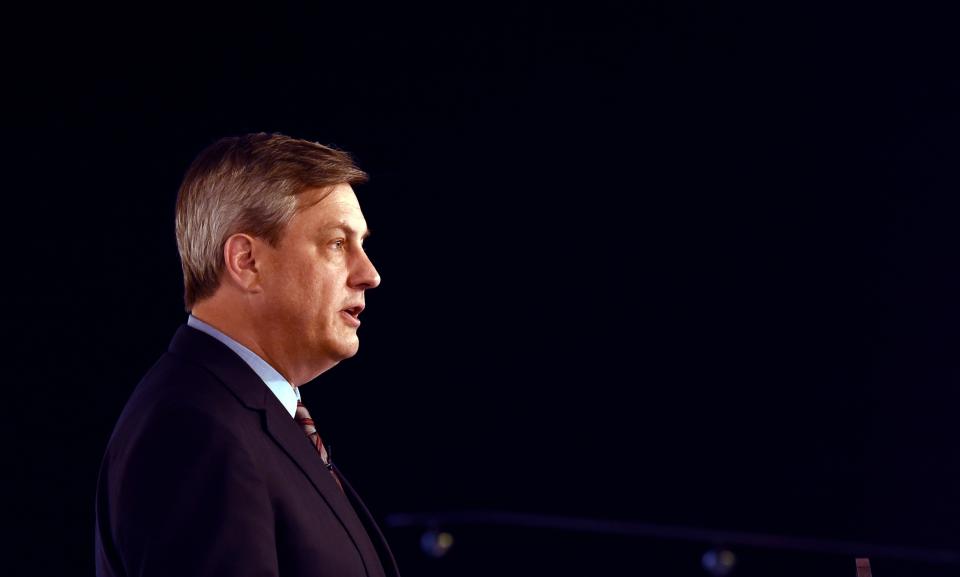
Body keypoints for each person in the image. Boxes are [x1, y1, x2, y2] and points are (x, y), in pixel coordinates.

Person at [94, 133, 399, 577]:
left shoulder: (243, 415)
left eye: (362, 244)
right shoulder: (192, 429)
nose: (368, 274)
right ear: (247, 261)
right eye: (337, 243)